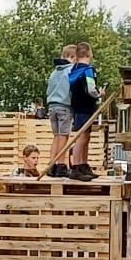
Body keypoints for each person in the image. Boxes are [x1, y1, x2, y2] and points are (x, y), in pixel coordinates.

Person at [64, 45, 99, 179]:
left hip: (77, 105)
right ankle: (77, 166)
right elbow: (91, 88)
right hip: (85, 107)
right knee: (82, 137)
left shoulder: (73, 69)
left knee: (86, 136)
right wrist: (99, 94)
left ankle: (83, 165)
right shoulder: (88, 70)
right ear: (90, 54)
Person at [46, 45, 77, 175]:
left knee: (56, 136)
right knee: (64, 137)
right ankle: (61, 165)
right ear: (73, 57)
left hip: (52, 106)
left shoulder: (55, 71)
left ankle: (51, 165)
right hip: (64, 106)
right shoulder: (71, 70)